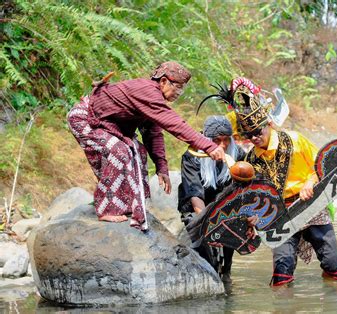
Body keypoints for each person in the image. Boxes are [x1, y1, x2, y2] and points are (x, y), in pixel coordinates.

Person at [67, 61, 225, 231]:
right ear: (163, 81)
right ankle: (107, 208)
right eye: (177, 87)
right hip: (86, 119)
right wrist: (208, 146)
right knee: (119, 152)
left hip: (108, 126)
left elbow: (153, 134)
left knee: (139, 151)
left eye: (182, 89)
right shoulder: (147, 91)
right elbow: (174, 123)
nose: (179, 93)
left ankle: (127, 205)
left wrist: (161, 167)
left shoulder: (152, 99)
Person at [229, 77, 337, 286]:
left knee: (332, 265)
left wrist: (310, 182)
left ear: (268, 124)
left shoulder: (294, 140)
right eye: (249, 134)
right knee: (281, 274)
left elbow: (323, 165)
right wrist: (252, 217)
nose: (254, 137)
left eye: (258, 131)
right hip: (279, 213)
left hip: (310, 204)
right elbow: (253, 196)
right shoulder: (250, 160)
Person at [177, 115, 246, 283]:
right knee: (203, 241)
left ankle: (226, 272)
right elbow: (194, 193)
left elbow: (242, 189)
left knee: (232, 230)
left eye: (226, 140)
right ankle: (209, 275)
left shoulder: (238, 154)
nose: (222, 146)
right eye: (216, 140)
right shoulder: (191, 156)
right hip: (198, 208)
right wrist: (208, 221)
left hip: (225, 206)